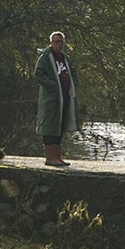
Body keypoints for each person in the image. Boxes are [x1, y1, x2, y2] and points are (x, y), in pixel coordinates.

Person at [35, 31, 80, 167]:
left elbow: (72, 73)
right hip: (51, 99)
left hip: (64, 98)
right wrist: (54, 86)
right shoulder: (45, 57)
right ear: (51, 42)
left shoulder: (65, 58)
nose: (59, 44)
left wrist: (73, 82)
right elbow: (39, 74)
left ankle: (58, 157)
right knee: (50, 127)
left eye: (61, 41)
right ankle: (50, 157)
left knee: (60, 127)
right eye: (56, 41)